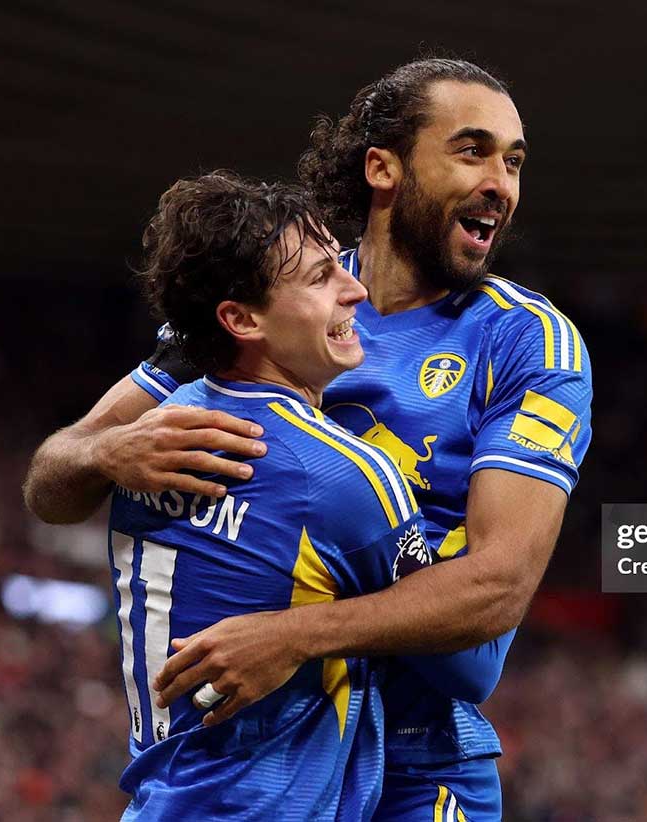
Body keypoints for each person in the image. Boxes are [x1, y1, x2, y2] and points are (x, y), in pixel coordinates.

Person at [24, 58, 592, 820]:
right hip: (264, 748)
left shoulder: (529, 344)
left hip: (420, 764)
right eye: (472, 151)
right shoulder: (275, 292)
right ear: (384, 168)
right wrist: (105, 452)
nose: (501, 184)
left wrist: (295, 636)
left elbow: (499, 589)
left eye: (514, 162)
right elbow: (51, 482)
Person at [107, 171, 501, 820]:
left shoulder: (145, 439)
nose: (355, 289)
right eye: (322, 278)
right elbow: (471, 669)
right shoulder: (341, 475)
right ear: (241, 319)